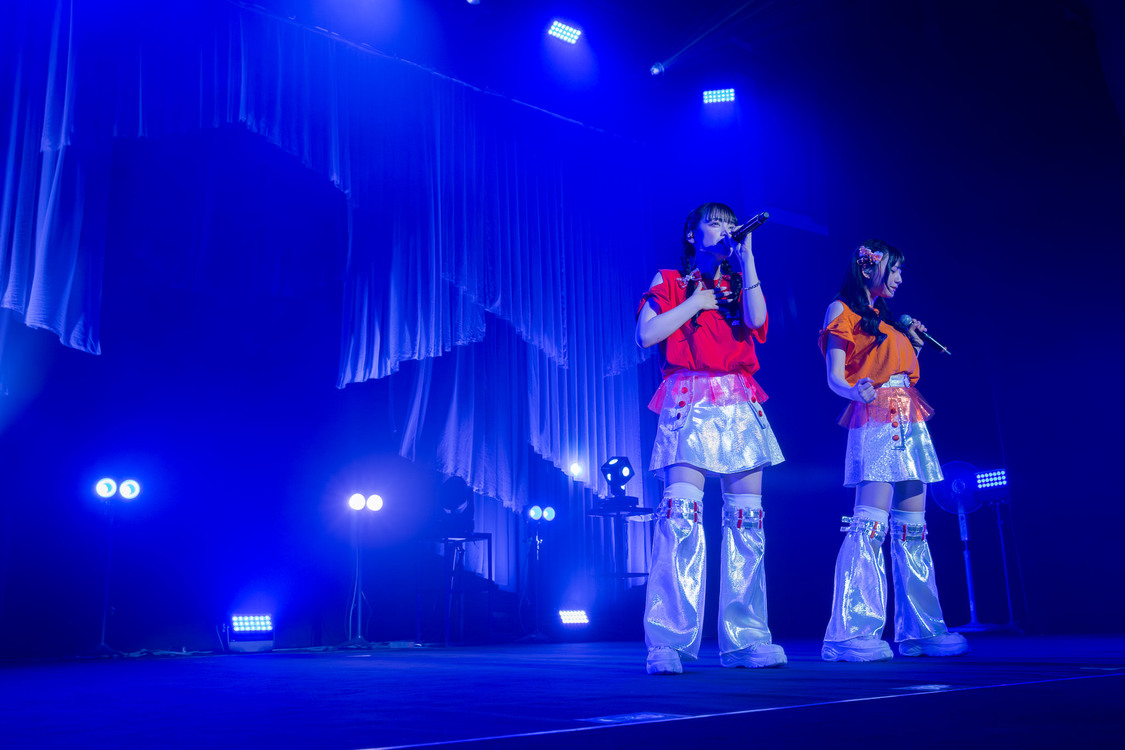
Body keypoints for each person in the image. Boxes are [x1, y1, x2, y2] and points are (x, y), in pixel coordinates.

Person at [635, 202, 786, 675]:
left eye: (728, 222)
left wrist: (749, 260)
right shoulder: (671, 281)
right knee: (680, 520)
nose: (723, 228)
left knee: (747, 525)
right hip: (689, 397)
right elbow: (645, 334)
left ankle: (746, 637)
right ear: (691, 235)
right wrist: (694, 304)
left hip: (737, 399)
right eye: (713, 222)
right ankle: (668, 640)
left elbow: (759, 323)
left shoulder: (740, 282)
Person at [818, 239, 969, 662]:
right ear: (869, 269)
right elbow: (834, 375)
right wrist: (853, 389)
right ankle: (850, 631)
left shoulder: (887, 319)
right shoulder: (841, 311)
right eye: (895, 270)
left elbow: (899, 369)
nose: (901, 278)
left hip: (909, 415)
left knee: (913, 528)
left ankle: (921, 629)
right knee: (869, 524)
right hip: (876, 414)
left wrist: (915, 345)